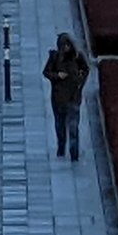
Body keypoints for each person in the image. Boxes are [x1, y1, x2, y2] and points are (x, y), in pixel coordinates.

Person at [44, 33, 92, 161]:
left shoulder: (77, 57)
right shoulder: (54, 57)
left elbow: (86, 70)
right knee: (60, 126)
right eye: (63, 46)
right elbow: (47, 72)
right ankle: (61, 147)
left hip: (73, 97)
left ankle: (74, 153)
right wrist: (57, 76)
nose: (65, 48)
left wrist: (80, 81)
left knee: (73, 126)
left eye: (67, 45)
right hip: (58, 98)